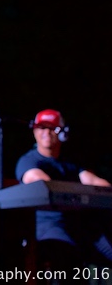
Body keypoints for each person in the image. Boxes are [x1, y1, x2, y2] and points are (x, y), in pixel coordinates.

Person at [16, 108, 112, 269]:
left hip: (80, 226)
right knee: (66, 257)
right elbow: (40, 182)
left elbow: (98, 184)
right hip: (49, 226)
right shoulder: (29, 161)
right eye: (42, 127)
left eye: (52, 127)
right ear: (34, 131)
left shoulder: (71, 163)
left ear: (63, 133)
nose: (46, 132)